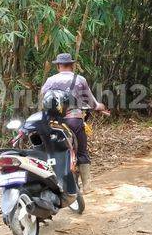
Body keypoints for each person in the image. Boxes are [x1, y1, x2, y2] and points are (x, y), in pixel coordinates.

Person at [41, 53, 108, 193]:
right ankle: (87, 186)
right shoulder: (80, 79)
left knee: (54, 150)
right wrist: (98, 107)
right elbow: (90, 101)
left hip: (54, 122)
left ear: (58, 66)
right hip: (74, 120)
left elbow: (44, 98)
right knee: (82, 151)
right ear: (72, 65)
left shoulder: (51, 80)